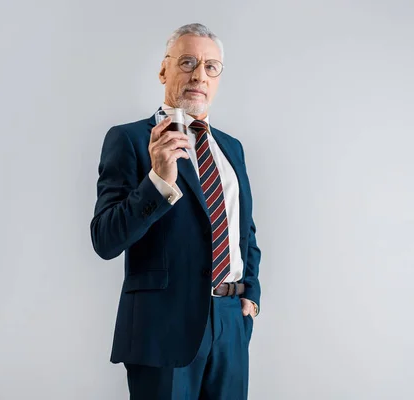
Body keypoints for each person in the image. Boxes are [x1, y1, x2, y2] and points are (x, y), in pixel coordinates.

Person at [90, 23, 262, 399]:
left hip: (231, 324)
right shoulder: (130, 139)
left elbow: (243, 231)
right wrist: (157, 181)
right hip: (163, 328)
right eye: (187, 62)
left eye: (211, 67)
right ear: (163, 70)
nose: (199, 74)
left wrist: (251, 296)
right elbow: (105, 239)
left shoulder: (232, 148)